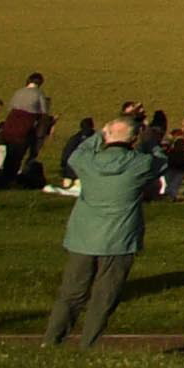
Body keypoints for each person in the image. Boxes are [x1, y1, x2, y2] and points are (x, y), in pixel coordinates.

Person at [48, 110, 154, 346]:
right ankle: (89, 344)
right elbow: (160, 162)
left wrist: (101, 133)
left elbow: (76, 154)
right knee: (104, 296)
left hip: (83, 236)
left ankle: (51, 340)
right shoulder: (141, 164)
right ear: (133, 138)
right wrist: (148, 141)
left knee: (71, 293)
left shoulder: (88, 162)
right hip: (119, 238)